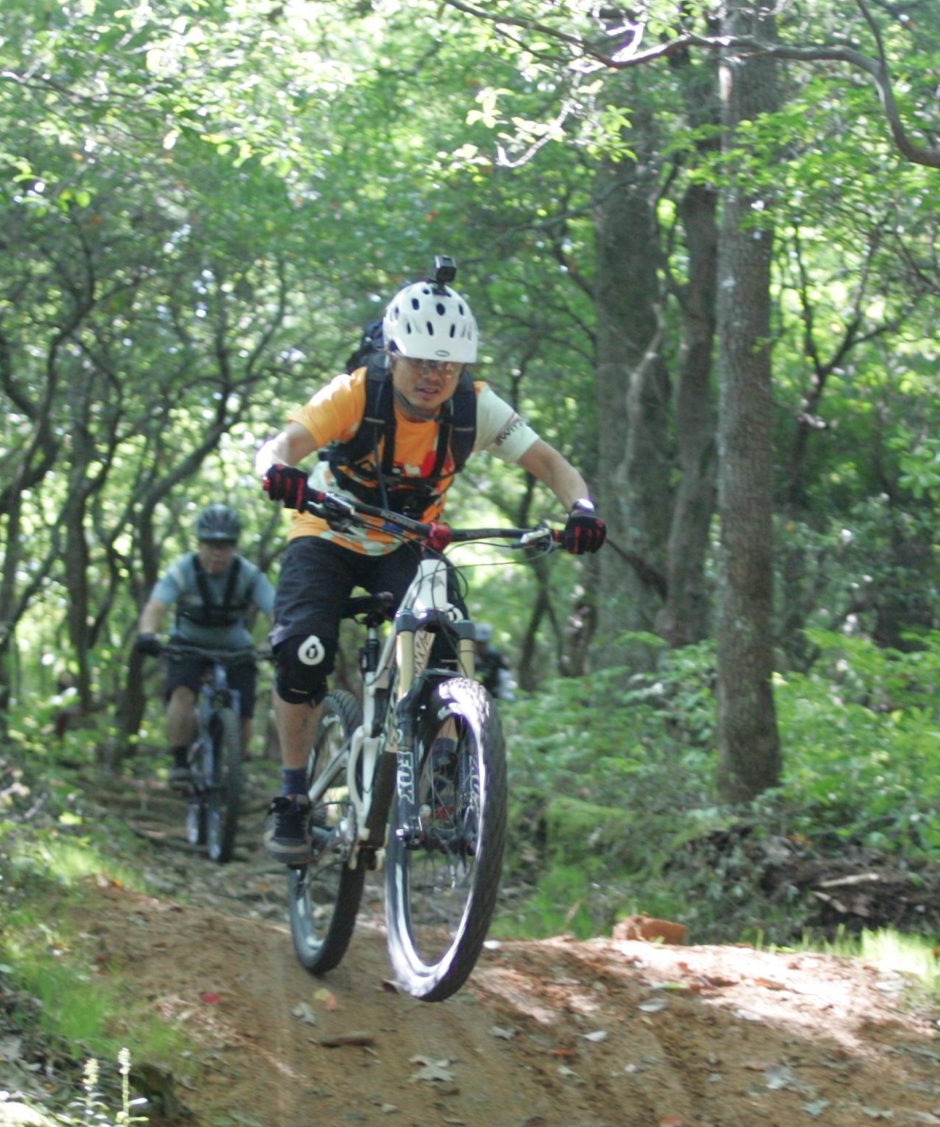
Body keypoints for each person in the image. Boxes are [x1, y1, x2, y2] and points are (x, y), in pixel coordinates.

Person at [253, 261, 603, 862]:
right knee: (303, 648)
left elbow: (551, 464)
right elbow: (282, 446)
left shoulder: (475, 408)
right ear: (393, 353)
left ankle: (442, 782)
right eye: (419, 360)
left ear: (463, 366)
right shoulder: (356, 392)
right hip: (328, 532)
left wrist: (583, 508)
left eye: (447, 364)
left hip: (408, 541)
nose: (433, 375)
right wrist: (278, 473)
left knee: (447, 646)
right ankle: (291, 796)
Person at [133, 501, 274, 794]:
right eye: (211, 544)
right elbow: (157, 606)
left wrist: (284, 638)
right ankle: (180, 762)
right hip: (189, 644)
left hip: (236, 647)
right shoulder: (182, 571)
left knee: (245, 709)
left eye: (225, 545)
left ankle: (235, 768)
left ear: (235, 546)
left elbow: (277, 610)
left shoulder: (248, 575)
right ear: (200, 543)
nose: (217, 552)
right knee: (183, 691)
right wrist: (148, 634)